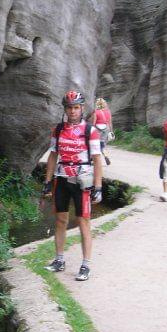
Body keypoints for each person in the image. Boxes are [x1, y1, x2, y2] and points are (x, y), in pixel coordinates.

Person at [42, 90, 102, 281]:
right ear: (65, 109)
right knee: (60, 221)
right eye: (69, 107)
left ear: (82, 108)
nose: (73, 111)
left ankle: (86, 265)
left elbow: (97, 160)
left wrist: (98, 186)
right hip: (61, 179)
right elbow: (53, 155)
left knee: (83, 222)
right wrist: (47, 181)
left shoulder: (90, 131)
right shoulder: (58, 130)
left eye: (76, 107)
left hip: (81, 181)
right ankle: (59, 260)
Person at [91, 97, 113, 166]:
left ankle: (93, 159)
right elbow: (110, 122)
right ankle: (106, 156)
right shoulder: (108, 112)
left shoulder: (96, 112)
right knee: (102, 144)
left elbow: (94, 123)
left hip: (97, 129)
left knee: (95, 144)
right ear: (104, 104)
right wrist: (111, 131)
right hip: (106, 128)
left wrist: (91, 131)